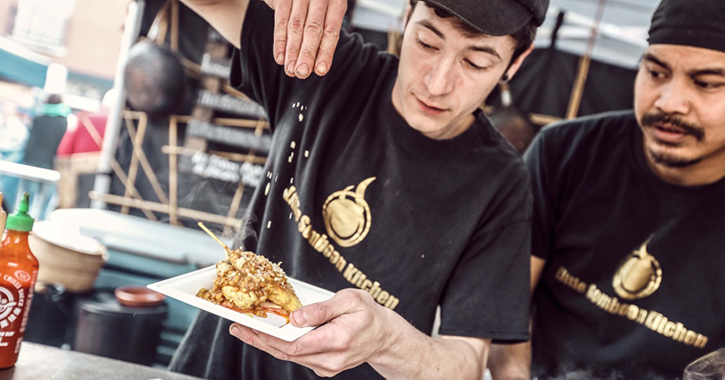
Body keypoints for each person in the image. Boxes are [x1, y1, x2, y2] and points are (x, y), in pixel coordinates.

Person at [170, 0, 548, 378]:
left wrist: (387, 342)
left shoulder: (500, 184)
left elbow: (465, 362)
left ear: (515, 62)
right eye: (427, 43)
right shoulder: (324, 65)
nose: (437, 83)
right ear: (405, 16)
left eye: (475, 63)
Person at [487, 0, 725, 378]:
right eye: (656, 72)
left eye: (707, 83)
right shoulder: (565, 152)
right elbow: (503, 310)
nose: (669, 102)